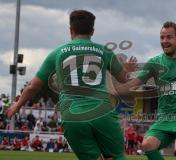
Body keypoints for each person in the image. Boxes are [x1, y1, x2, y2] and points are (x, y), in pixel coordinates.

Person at [7, 10, 137, 160]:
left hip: (73, 117)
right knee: (117, 156)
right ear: (92, 31)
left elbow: (32, 86)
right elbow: (123, 78)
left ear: (71, 29)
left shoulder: (58, 53)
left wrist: (17, 106)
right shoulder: (104, 51)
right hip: (102, 113)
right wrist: (127, 69)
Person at [116, 21, 176, 160]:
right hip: (165, 119)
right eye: (162, 37)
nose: (164, 41)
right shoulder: (154, 62)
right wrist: (125, 73)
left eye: (169, 37)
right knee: (147, 144)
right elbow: (134, 84)